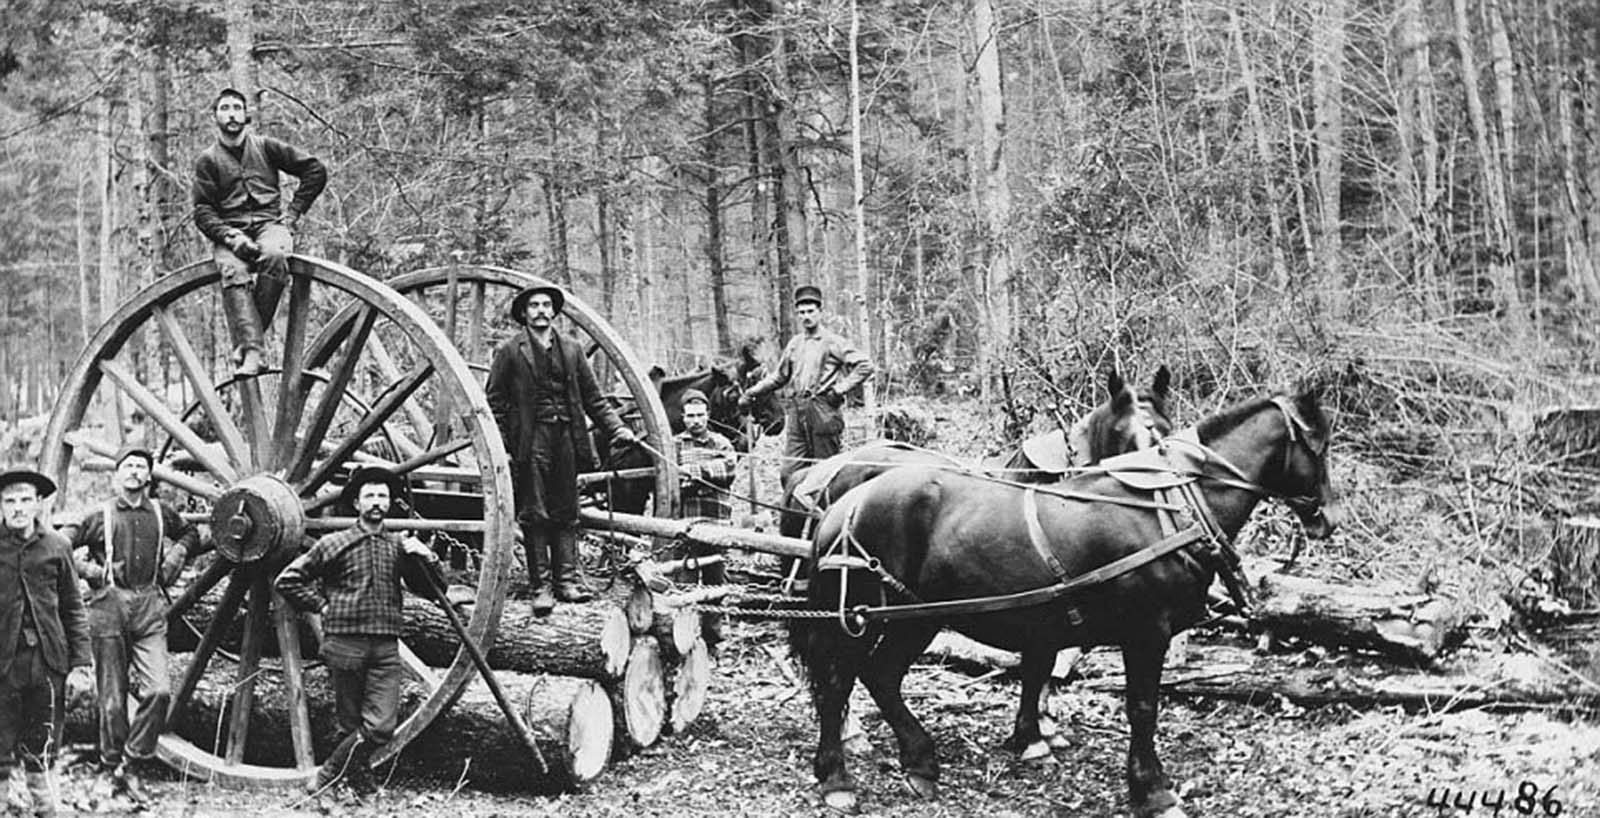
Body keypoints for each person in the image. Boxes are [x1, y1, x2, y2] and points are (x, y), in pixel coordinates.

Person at [275, 466, 439, 794]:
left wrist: (427, 556)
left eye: (382, 496)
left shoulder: (398, 546)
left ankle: (323, 779)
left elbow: (434, 590)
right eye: (370, 496)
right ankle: (360, 786)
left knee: (380, 726)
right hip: (344, 645)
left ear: (390, 503)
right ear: (356, 503)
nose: (376, 502)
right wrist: (323, 606)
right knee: (349, 725)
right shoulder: (334, 543)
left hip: (385, 647)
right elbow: (288, 580)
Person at [485, 284, 636, 616]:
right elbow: (494, 403)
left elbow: (594, 398)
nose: (541, 310)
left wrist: (617, 429)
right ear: (523, 313)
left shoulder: (571, 349)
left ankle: (566, 582)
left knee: (566, 509)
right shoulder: (510, 351)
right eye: (534, 306)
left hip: (566, 434)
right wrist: (503, 448)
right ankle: (540, 587)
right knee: (535, 510)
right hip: (530, 437)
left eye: (546, 305)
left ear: (554, 311)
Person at [66, 447, 197, 803]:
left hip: (149, 606)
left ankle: (132, 762)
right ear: (117, 474)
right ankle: (110, 769)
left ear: (149, 476)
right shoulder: (101, 514)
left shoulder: (160, 511)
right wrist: (90, 572)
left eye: (142, 466)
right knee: (111, 699)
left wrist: (174, 561)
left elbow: (190, 535)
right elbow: (61, 544)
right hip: (108, 606)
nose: (135, 472)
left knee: (158, 691)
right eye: (129, 466)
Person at [191, 87, 328, 376]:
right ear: (214, 116)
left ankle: (247, 344)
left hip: (269, 225)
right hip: (230, 231)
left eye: (237, 108)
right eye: (225, 108)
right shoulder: (208, 160)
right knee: (232, 268)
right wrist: (230, 237)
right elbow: (202, 212)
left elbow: (315, 170)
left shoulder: (266, 147)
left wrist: (292, 215)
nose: (231, 114)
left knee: (276, 254)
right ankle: (253, 351)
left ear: (246, 115)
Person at [0, 467, 91, 818]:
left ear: (39, 504)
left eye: (25, 500)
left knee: (43, 743)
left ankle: (47, 809)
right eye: (10, 501)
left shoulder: (57, 546)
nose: (18, 508)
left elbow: (73, 607)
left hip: (46, 663)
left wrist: (80, 664)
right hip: (4, 665)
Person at [739, 285, 875, 483]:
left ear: (820, 312)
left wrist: (839, 389)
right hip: (797, 412)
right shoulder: (795, 343)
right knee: (789, 473)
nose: (806, 316)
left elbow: (865, 365)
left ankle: (826, 513)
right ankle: (798, 513)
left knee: (825, 474)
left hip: (823, 411)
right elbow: (779, 377)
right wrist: (752, 392)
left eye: (810, 311)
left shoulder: (832, 341)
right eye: (801, 312)